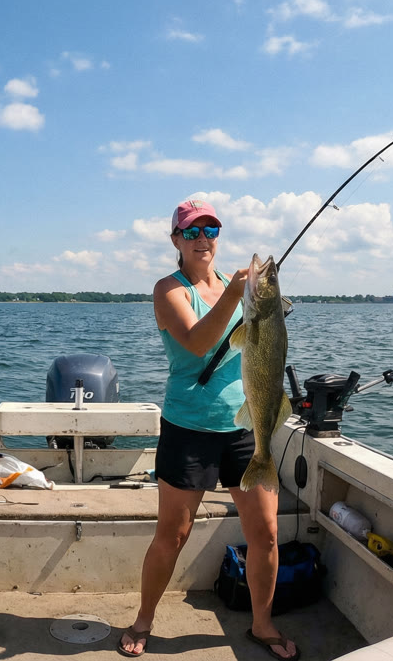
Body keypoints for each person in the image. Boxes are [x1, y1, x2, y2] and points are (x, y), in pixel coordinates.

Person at [117, 199, 298, 660]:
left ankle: (262, 623)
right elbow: (198, 343)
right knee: (173, 534)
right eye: (192, 231)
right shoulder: (169, 290)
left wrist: (258, 300)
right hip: (188, 428)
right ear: (176, 240)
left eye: (211, 230)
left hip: (245, 428)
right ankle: (144, 619)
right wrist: (238, 298)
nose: (203, 239)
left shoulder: (244, 293)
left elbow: (263, 341)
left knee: (267, 534)